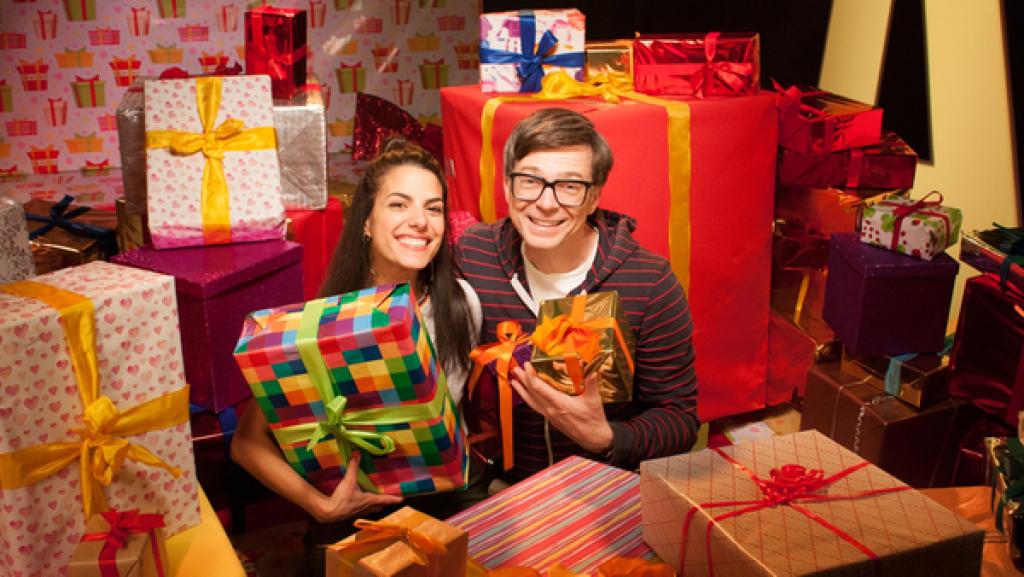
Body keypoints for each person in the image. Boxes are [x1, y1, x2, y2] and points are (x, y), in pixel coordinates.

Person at [231, 139, 482, 576]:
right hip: (356, 507)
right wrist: (320, 506)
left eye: (434, 208)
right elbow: (246, 443)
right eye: (399, 204)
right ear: (366, 221)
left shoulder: (462, 303)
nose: (420, 221)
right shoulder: (321, 324)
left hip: (449, 495)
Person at [456, 108, 700, 482]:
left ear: (593, 197)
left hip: (605, 485)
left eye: (570, 186)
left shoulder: (648, 283)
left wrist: (604, 437)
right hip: (504, 486)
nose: (546, 202)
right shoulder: (475, 255)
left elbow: (679, 419)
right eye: (529, 181)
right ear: (506, 186)